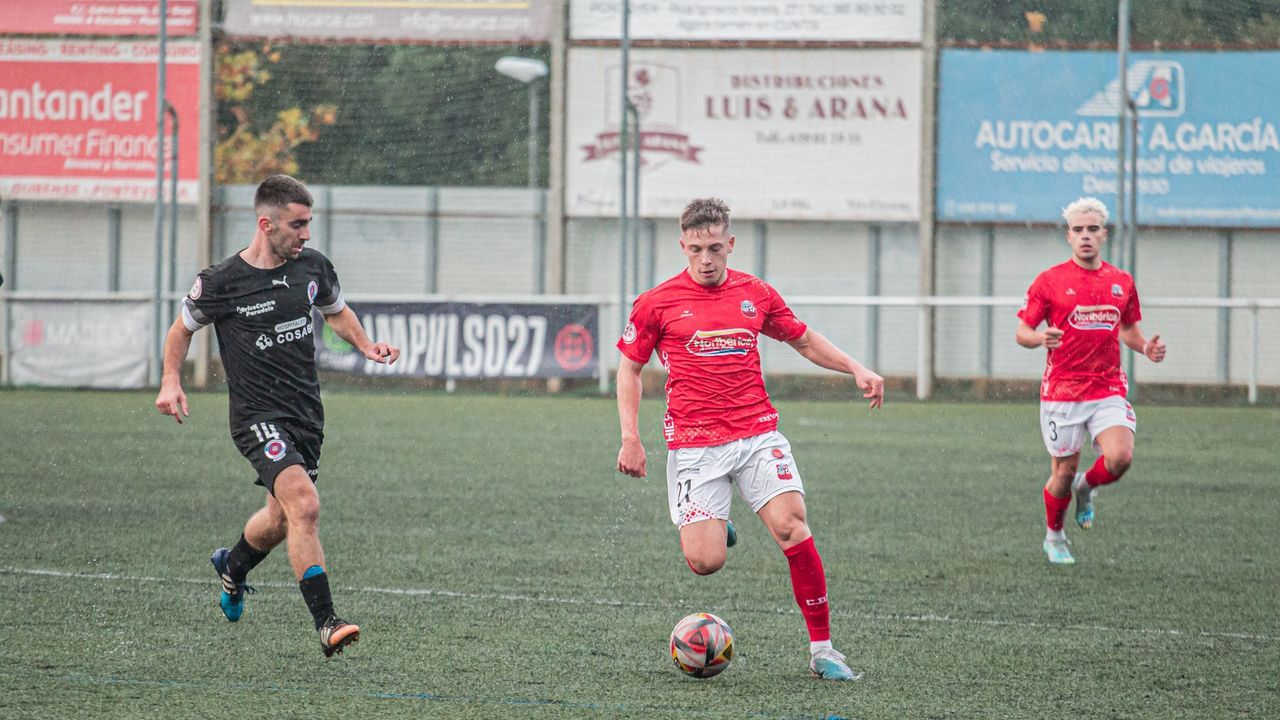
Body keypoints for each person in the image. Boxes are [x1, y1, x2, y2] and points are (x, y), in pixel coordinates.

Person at [615, 197, 884, 681]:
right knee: (705, 561)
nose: (706, 259)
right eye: (696, 249)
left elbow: (802, 339)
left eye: (715, 247)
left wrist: (855, 368)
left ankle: (823, 650)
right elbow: (629, 369)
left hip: (757, 434)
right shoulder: (657, 302)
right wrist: (630, 437)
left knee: (792, 527)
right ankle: (717, 528)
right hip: (695, 446)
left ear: (731, 244)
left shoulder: (755, 293)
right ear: (683, 246)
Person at [155, 175, 400, 657]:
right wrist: (171, 381)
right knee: (305, 505)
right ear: (265, 224)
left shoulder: (312, 267)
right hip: (255, 417)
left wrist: (367, 344)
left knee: (280, 518)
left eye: (309, 223)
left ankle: (233, 567)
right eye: (298, 224)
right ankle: (327, 622)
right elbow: (180, 331)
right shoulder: (221, 282)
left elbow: (337, 312)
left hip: (306, 417)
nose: (306, 234)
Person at [1016, 196, 1166, 566]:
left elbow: (1128, 330)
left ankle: (1088, 486)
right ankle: (1055, 536)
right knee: (1063, 472)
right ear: (1069, 236)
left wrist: (1145, 347)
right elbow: (1022, 331)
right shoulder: (1050, 281)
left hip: (1107, 389)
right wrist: (1040, 339)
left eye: (1092, 229)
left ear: (1104, 234)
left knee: (1120, 458)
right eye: (1078, 230)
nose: (1085, 236)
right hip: (1062, 393)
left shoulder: (1121, 282)